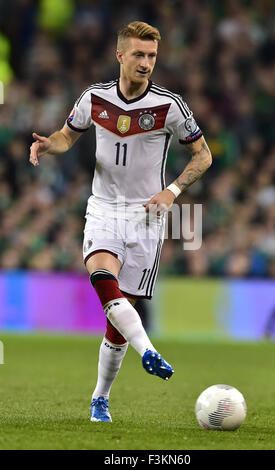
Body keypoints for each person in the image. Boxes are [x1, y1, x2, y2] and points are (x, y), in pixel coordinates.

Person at [29, 21, 212, 422]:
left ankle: (100, 397)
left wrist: (173, 191)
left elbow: (203, 156)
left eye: (152, 56)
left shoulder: (170, 106)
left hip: (146, 215)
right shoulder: (94, 98)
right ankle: (149, 350)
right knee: (100, 273)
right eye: (139, 55)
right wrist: (49, 145)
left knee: (117, 316)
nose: (146, 63)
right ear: (120, 55)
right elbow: (67, 135)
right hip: (103, 207)